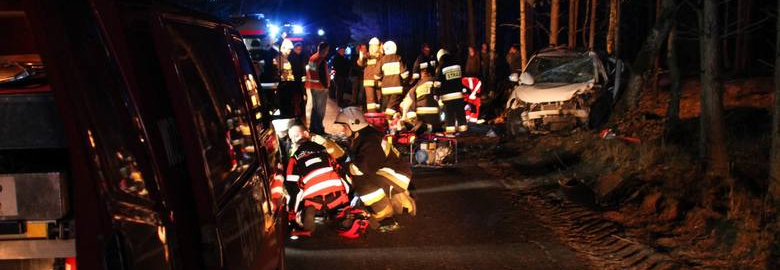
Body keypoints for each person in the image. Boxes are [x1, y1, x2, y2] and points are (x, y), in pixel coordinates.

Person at [335, 107, 416, 232]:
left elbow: (361, 168)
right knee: (357, 177)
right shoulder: (365, 135)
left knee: (359, 178)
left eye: (344, 126)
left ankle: (384, 214)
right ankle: (395, 200)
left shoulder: (370, 140)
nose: (342, 130)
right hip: (394, 172)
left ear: (354, 124)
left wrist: (342, 164)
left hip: (396, 175)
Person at [286, 124, 350, 235]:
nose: (293, 140)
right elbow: (339, 168)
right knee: (341, 202)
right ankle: (345, 215)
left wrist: (291, 214)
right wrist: (348, 193)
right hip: (336, 195)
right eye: (291, 138)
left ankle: (308, 221)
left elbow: (293, 188)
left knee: (305, 204)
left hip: (313, 198)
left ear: (306, 133)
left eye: (295, 136)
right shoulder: (324, 149)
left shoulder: (294, 158)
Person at [435, 49, 468, 135]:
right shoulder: (457, 64)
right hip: (458, 95)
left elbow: (437, 83)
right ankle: (463, 131)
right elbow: (461, 78)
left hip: (447, 96)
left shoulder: (441, 66)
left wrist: (436, 93)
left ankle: (450, 134)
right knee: (460, 113)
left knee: (449, 115)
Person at [374, 40, 409, 122]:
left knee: (387, 106)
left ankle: (388, 122)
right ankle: (388, 121)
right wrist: (406, 81)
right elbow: (404, 74)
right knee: (391, 107)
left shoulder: (382, 60)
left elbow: (376, 75)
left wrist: (381, 78)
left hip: (385, 89)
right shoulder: (398, 58)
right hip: (396, 88)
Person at [305, 42, 331, 134]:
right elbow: (322, 75)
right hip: (320, 87)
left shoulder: (312, 58)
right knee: (320, 110)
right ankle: (319, 129)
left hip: (313, 86)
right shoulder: (321, 60)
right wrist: (326, 85)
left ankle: (313, 127)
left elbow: (312, 72)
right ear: (324, 50)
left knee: (315, 108)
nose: (327, 52)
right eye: (327, 50)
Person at [277, 39, 302, 118]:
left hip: (289, 85)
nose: (290, 51)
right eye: (288, 49)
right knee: (286, 106)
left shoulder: (286, 59)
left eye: (290, 49)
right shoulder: (279, 59)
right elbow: (280, 73)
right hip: (284, 86)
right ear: (283, 48)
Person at [358, 37, 382, 113]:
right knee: (370, 100)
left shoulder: (381, 56)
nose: (373, 48)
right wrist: (361, 57)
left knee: (379, 99)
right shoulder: (367, 55)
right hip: (369, 81)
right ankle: (372, 115)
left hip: (378, 81)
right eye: (371, 46)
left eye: (374, 46)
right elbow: (360, 64)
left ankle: (378, 114)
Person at [463, 46, 483, 123]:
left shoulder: (476, 57)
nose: (470, 51)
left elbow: (478, 66)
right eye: (469, 50)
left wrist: (476, 74)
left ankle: (472, 117)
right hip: (469, 75)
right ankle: (468, 117)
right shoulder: (469, 57)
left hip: (475, 75)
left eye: (471, 49)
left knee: (473, 99)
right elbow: (467, 65)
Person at [288, 42, 307, 116]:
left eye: (300, 49)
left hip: (301, 77)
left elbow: (306, 63)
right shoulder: (291, 57)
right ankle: (297, 110)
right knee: (296, 94)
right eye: (298, 49)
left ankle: (302, 109)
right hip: (294, 78)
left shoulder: (302, 55)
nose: (299, 51)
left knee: (303, 93)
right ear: (294, 49)